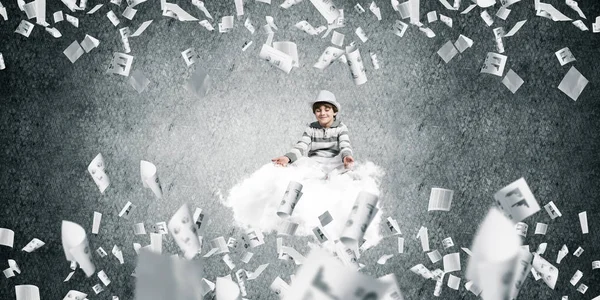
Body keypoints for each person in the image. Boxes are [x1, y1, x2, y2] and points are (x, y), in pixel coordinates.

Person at [271, 90, 355, 175]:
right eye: (318, 110)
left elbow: (345, 144)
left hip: (333, 162)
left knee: (347, 169)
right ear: (314, 113)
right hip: (315, 163)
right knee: (296, 166)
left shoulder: (341, 127)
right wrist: (287, 158)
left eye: (327, 110)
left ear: (334, 112)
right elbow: (301, 146)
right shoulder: (311, 128)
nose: (322, 113)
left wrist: (346, 156)